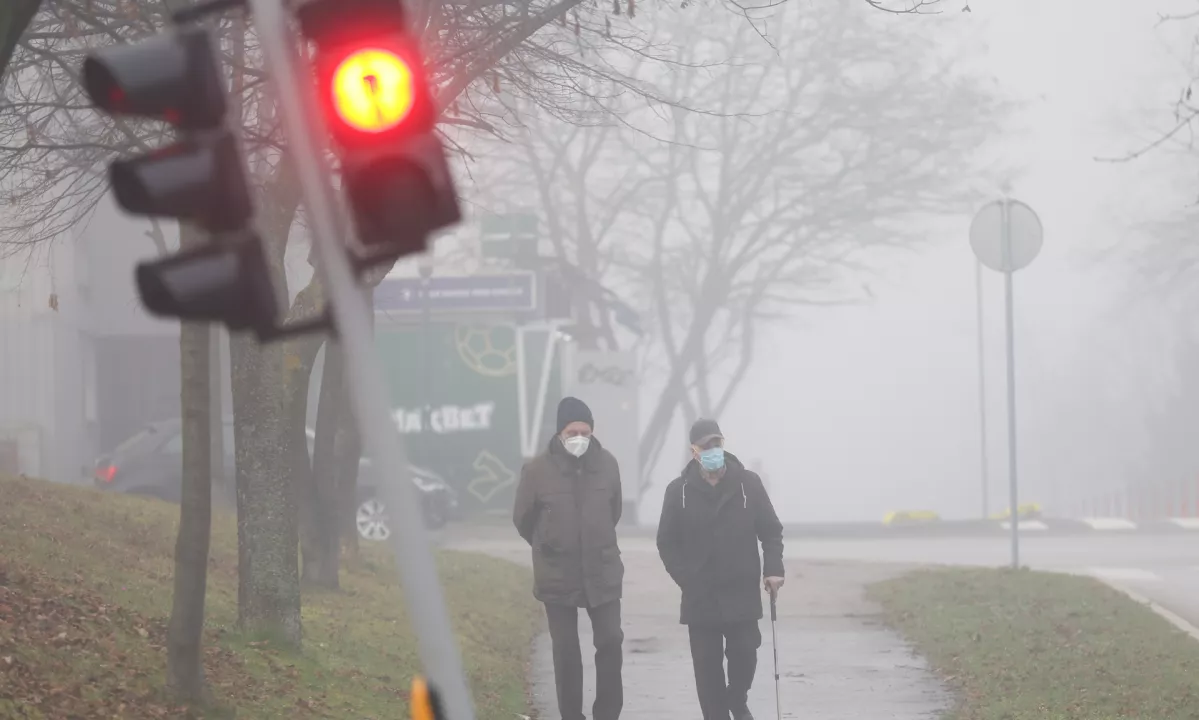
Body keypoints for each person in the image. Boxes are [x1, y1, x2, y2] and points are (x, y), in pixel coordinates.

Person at [656, 418, 784, 720]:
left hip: (741, 592)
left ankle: (736, 698)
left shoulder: (748, 484)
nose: (714, 450)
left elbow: (771, 530)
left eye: (718, 444)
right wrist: (685, 577)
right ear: (694, 451)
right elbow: (666, 542)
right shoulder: (678, 491)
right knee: (706, 670)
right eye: (707, 446)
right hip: (700, 597)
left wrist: (773, 568)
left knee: (745, 655)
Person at [513, 396, 625, 720]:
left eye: (585, 432)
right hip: (556, 573)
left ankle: (607, 713)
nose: (580, 438)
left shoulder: (608, 465)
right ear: (561, 432)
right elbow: (523, 519)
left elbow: (613, 511)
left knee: (610, 641)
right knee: (566, 653)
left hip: (602, 570)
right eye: (573, 431)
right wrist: (548, 542)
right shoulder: (536, 470)